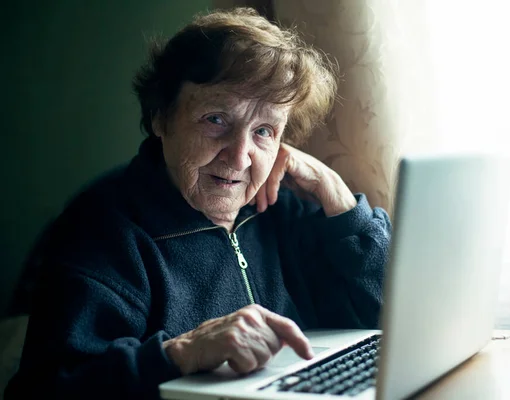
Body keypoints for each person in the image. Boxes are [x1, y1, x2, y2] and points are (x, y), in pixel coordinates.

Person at [5, 7, 391, 400]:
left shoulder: (288, 207)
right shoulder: (104, 227)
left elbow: (399, 322)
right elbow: (46, 389)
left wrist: (343, 206)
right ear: (161, 117)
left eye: (264, 131)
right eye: (216, 119)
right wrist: (180, 353)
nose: (240, 157)